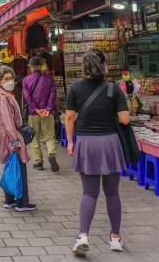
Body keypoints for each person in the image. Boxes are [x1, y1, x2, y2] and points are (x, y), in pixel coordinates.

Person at [65, 50, 129, 255]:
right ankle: (115, 238)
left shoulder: (74, 87)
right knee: (112, 193)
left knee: (89, 192)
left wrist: (69, 142)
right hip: (110, 143)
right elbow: (125, 119)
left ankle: (83, 236)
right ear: (103, 65)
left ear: (84, 67)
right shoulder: (114, 88)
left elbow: (69, 118)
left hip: (86, 143)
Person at [0, 66, 36, 212]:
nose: (10, 81)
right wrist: (15, 139)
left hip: (7, 136)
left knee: (11, 166)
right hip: (11, 137)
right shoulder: (4, 98)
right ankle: (21, 202)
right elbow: (8, 120)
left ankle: (9, 199)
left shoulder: (5, 96)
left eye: (11, 78)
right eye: (6, 79)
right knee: (19, 168)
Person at [22, 56, 59, 172]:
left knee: (34, 138)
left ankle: (38, 162)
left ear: (31, 68)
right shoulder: (49, 79)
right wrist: (47, 109)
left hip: (33, 113)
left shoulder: (26, 80)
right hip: (48, 113)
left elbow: (27, 97)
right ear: (41, 67)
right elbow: (53, 95)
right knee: (49, 137)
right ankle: (52, 154)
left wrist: (36, 109)